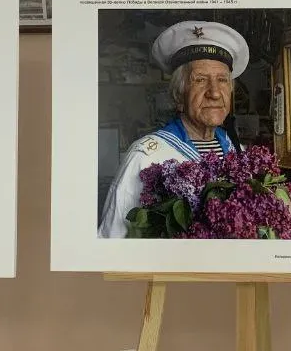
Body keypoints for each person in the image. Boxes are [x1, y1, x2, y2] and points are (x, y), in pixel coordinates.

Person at [98, 20, 247, 238]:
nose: (215, 93)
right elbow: (112, 239)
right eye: (200, 80)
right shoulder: (145, 157)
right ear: (178, 96)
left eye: (222, 80)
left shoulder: (238, 152)